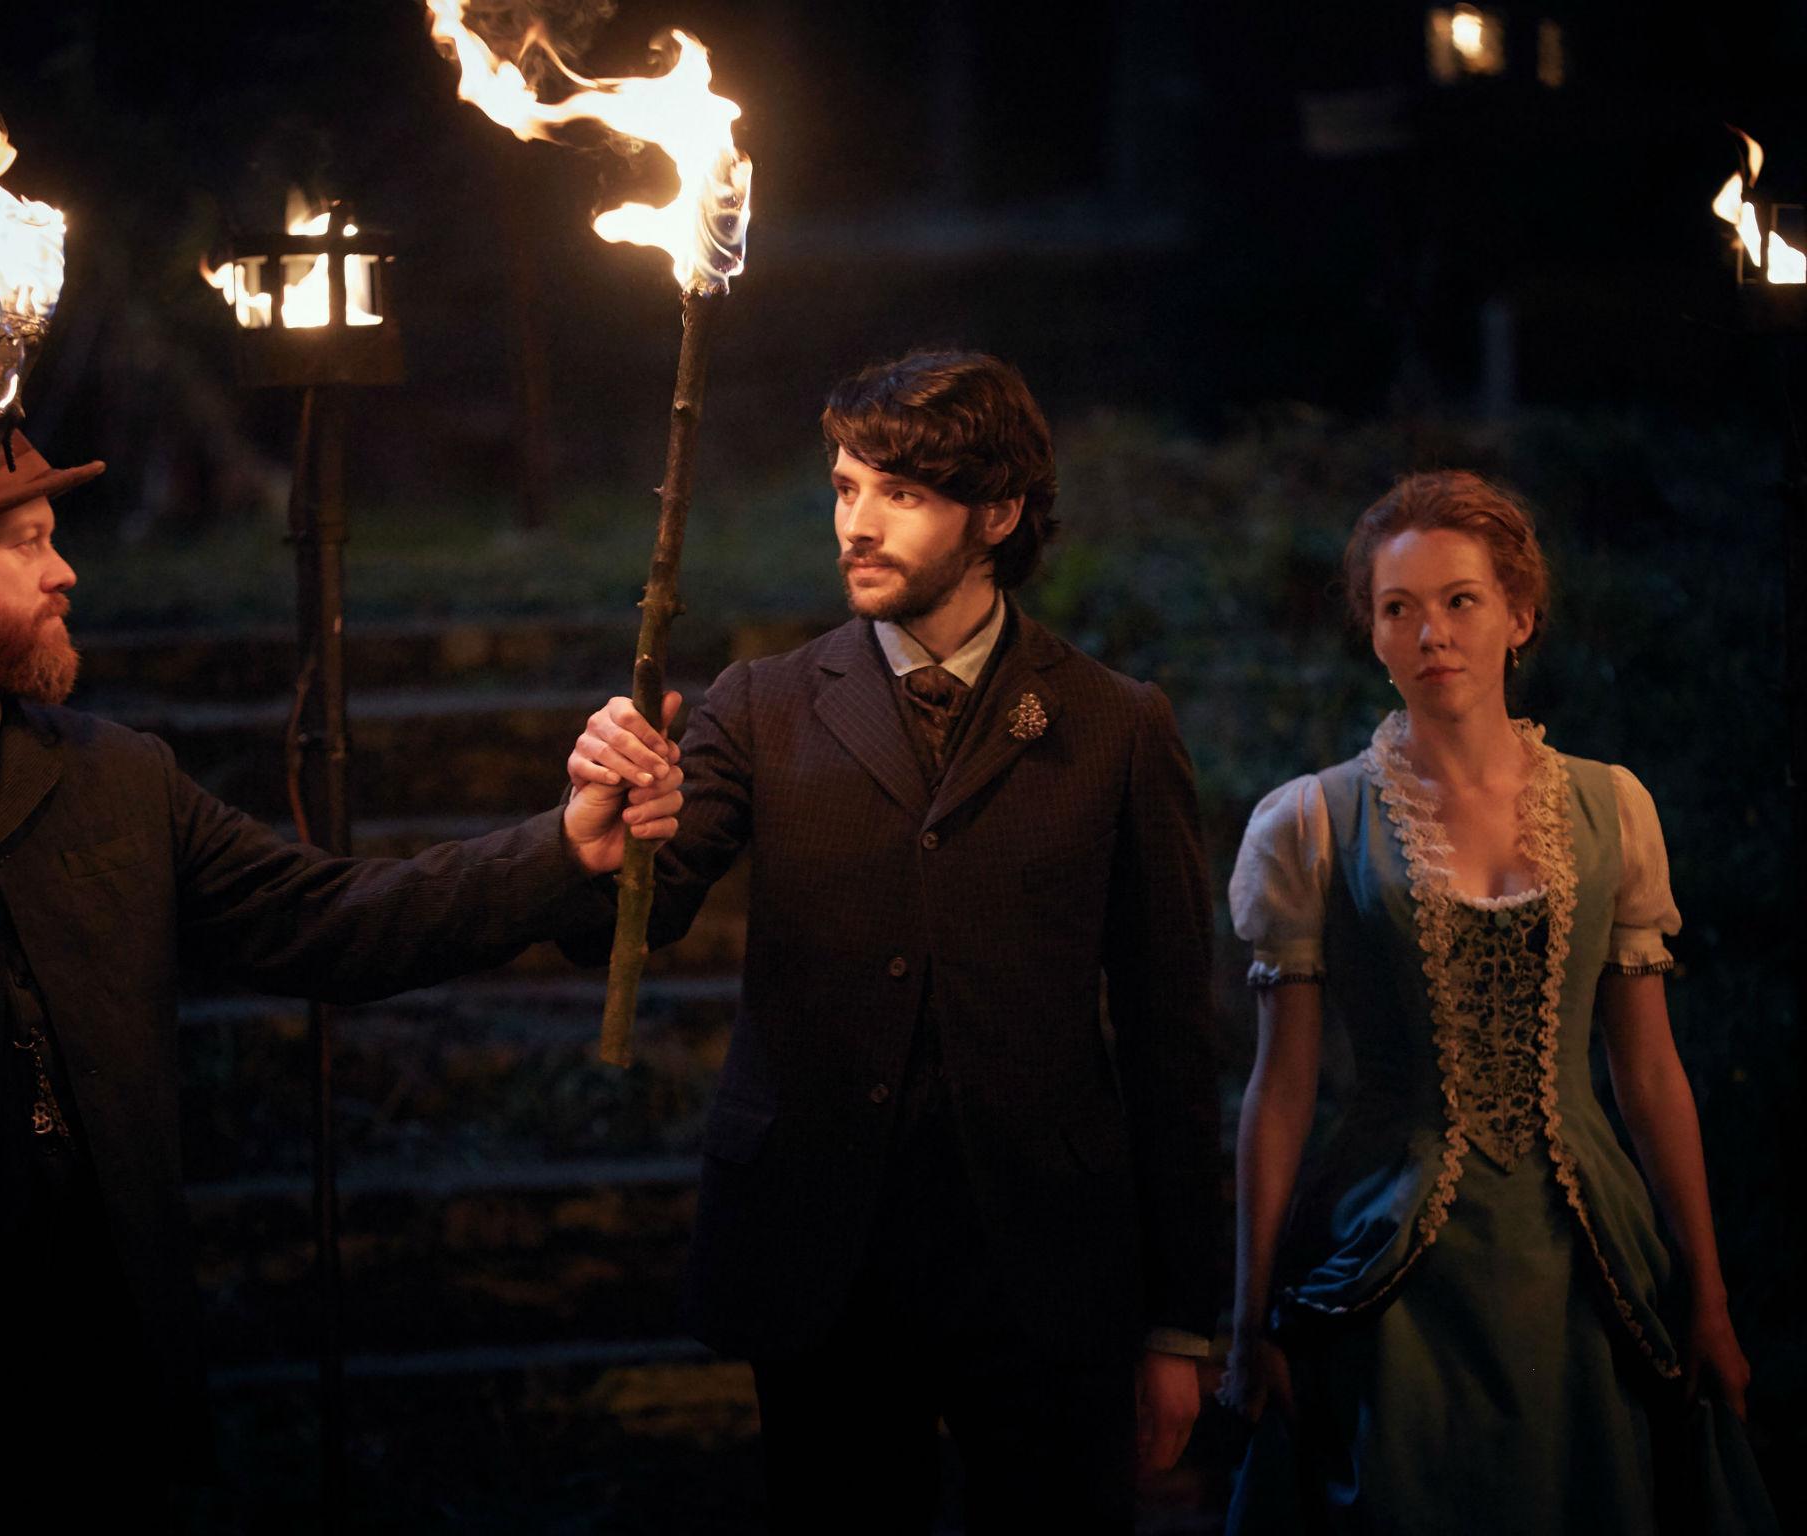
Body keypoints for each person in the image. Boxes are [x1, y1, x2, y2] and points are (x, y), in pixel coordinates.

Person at [0, 390, 682, 1508]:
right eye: (31, 546)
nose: (68, 576)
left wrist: (560, 847)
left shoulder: (112, 775)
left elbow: (333, 919)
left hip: (102, 1354)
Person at [566, 351, 1221, 1531]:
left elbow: (1171, 1036)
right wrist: (611, 828)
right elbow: (643, 906)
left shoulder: (1112, 725)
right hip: (824, 1257)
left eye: (899, 495)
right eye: (842, 488)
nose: (855, 527)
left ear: (998, 513)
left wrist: (1179, 1319)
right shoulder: (762, 704)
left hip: (1040, 1262)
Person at [1220, 471, 1776, 1534]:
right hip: (1383, 1258)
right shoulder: (1310, 824)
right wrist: (1246, 1318)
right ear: (1372, 635)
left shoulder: (1609, 805)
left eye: (1459, 600)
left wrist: (1703, 1292)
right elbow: (1281, 1087)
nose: (1430, 631)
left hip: (1576, 1258)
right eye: (1398, 608)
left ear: (1518, 617)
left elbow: (1648, 1071)